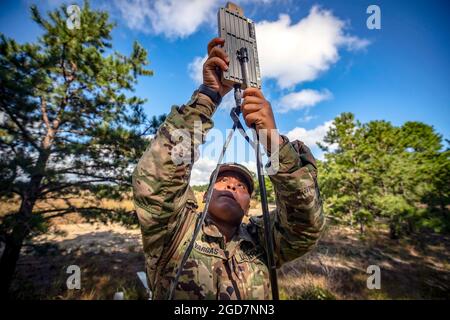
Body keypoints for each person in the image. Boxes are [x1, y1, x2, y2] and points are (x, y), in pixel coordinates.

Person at [132, 38, 325, 300]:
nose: (233, 186)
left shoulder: (263, 242)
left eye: (242, 186)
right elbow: (156, 181)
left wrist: (274, 144)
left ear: (249, 206)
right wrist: (208, 96)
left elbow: (306, 224)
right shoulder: (175, 231)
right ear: (205, 195)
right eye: (223, 181)